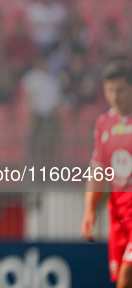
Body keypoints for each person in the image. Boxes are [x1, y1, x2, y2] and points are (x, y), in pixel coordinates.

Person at [81, 60, 132, 287]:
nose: (115, 96)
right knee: (122, 278)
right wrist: (89, 209)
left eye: (120, 90)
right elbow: (97, 171)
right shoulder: (104, 123)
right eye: (109, 91)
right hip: (119, 214)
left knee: (126, 275)